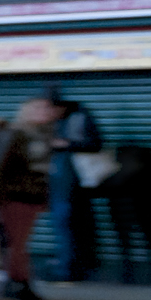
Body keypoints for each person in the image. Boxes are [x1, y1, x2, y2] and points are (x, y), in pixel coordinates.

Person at [0, 97, 57, 300]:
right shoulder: (16, 133)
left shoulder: (44, 134)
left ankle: (15, 282)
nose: (43, 111)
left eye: (46, 108)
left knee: (20, 242)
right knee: (16, 242)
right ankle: (18, 282)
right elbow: (0, 164)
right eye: (38, 107)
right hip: (15, 195)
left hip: (32, 196)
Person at [44, 85, 106, 284]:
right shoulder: (50, 121)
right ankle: (72, 267)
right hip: (56, 182)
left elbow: (96, 143)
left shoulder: (80, 117)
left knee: (68, 224)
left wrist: (67, 144)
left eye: (52, 109)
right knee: (67, 225)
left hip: (74, 182)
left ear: (60, 106)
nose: (49, 114)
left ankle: (68, 271)